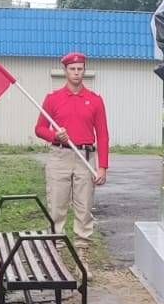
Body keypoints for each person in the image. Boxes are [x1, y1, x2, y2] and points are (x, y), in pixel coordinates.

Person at [34, 51, 109, 242]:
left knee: (84, 208)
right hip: (60, 157)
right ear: (65, 71)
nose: (76, 72)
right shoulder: (53, 99)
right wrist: (55, 135)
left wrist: (102, 167)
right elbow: (39, 128)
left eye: (80, 69)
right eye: (72, 69)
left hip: (85, 157)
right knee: (56, 207)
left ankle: (82, 252)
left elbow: (102, 135)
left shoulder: (95, 100)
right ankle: (56, 250)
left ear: (84, 70)